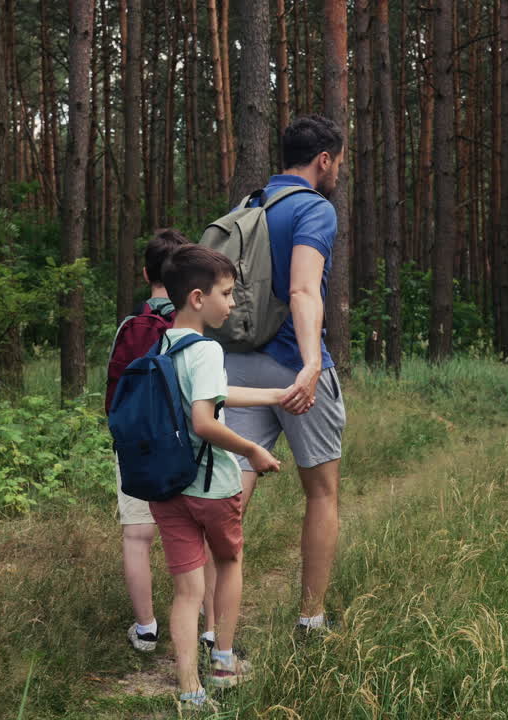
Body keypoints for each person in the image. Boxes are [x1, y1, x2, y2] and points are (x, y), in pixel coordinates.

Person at [224, 114, 346, 635]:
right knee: (321, 492)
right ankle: (311, 619)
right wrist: (312, 362)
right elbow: (302, 289)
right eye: (338, 161)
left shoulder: (247, 207)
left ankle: (212, 628)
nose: (338, 169)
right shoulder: (314, 209)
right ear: (323, 160)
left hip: (238, 364)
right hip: (294, 368)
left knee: (231, 497)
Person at [150, 245, 285, 708]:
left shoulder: (163, 344)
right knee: (227, 563)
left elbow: (216, 393)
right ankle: (224, 665)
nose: (231, 303)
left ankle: (189, 688)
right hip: (212, 486)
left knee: (186, 590)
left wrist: (274, 395)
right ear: (196, 297)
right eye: (226, 294)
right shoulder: (207, 348)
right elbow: (205, 420)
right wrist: (253, 449)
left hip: (167, 488)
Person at [105, 229, 218, 654]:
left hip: (137, 451)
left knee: (137, 536)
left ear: (146, 272)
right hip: (187, 452)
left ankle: (147, 630)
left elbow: (114, 398)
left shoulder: (129, 328)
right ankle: (207, 632)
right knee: (199, 537)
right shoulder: (192, 325)